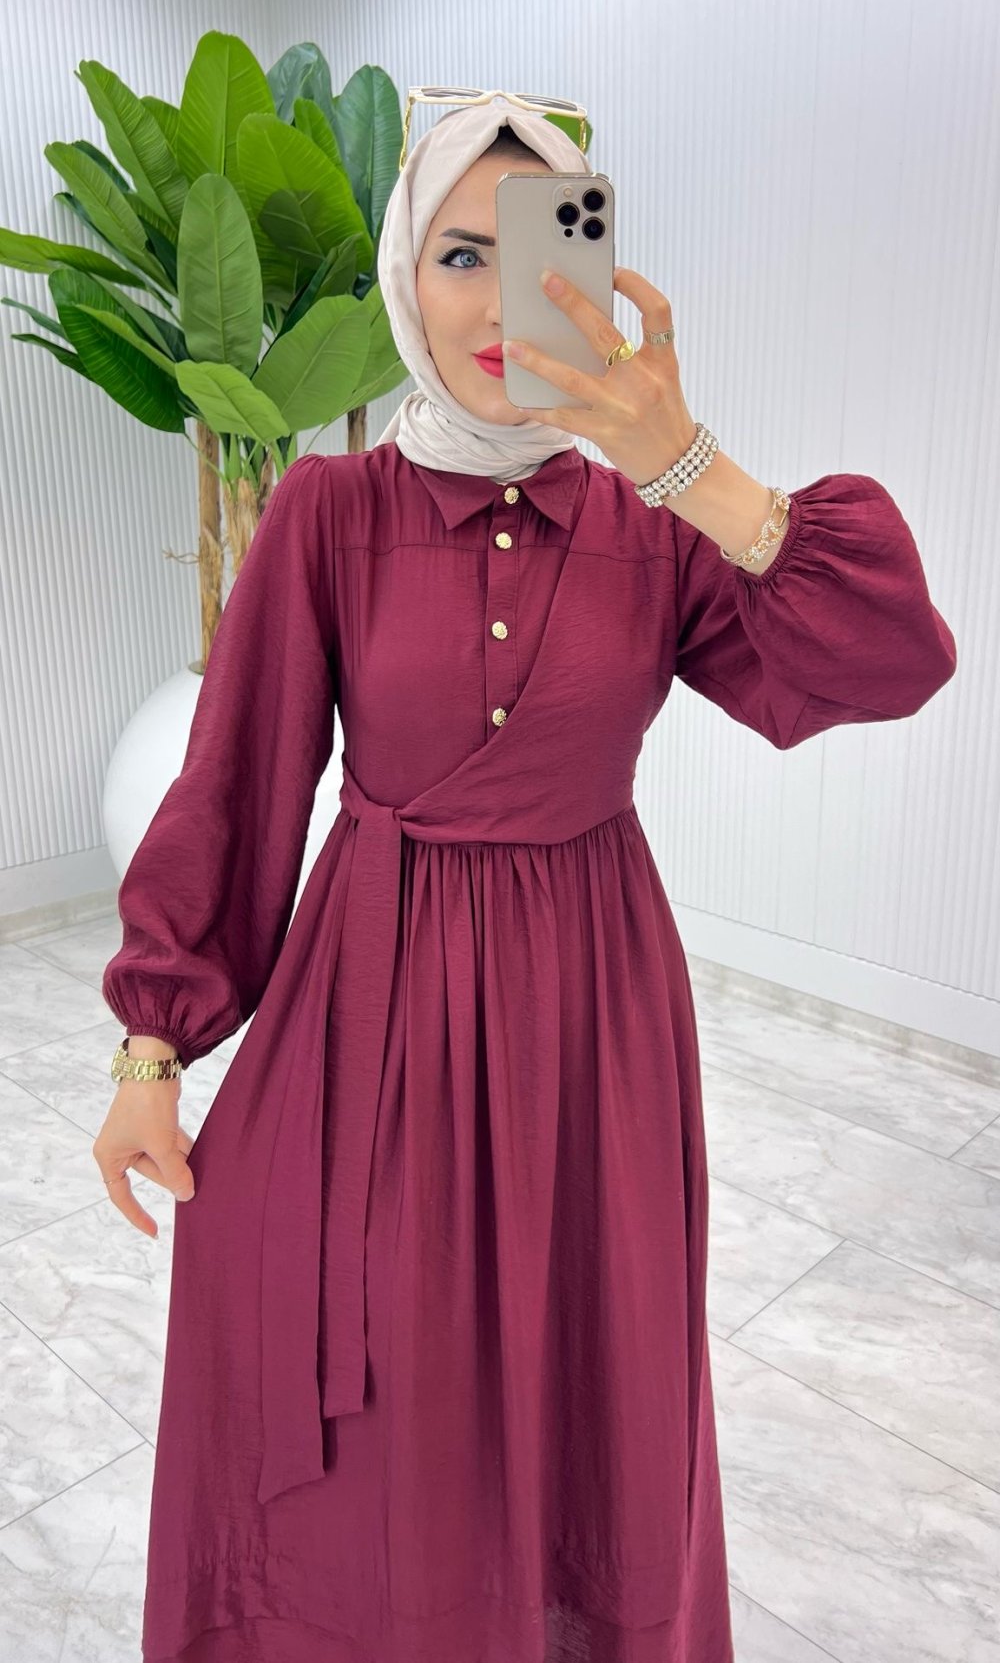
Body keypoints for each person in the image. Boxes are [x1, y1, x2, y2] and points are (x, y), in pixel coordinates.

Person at [96, 95, 958, 1663]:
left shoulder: (655, 525)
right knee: (365, 1371)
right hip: (370, 1007)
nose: (501, 299)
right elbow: (237, 785)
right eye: (458, 254)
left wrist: (690, 466)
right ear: (402, 279)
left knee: (591, 1374)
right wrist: (153, 1047)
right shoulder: (331, 513)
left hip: (591, 1022)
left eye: (541, 248)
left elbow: (894, 656)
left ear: (599, 269)